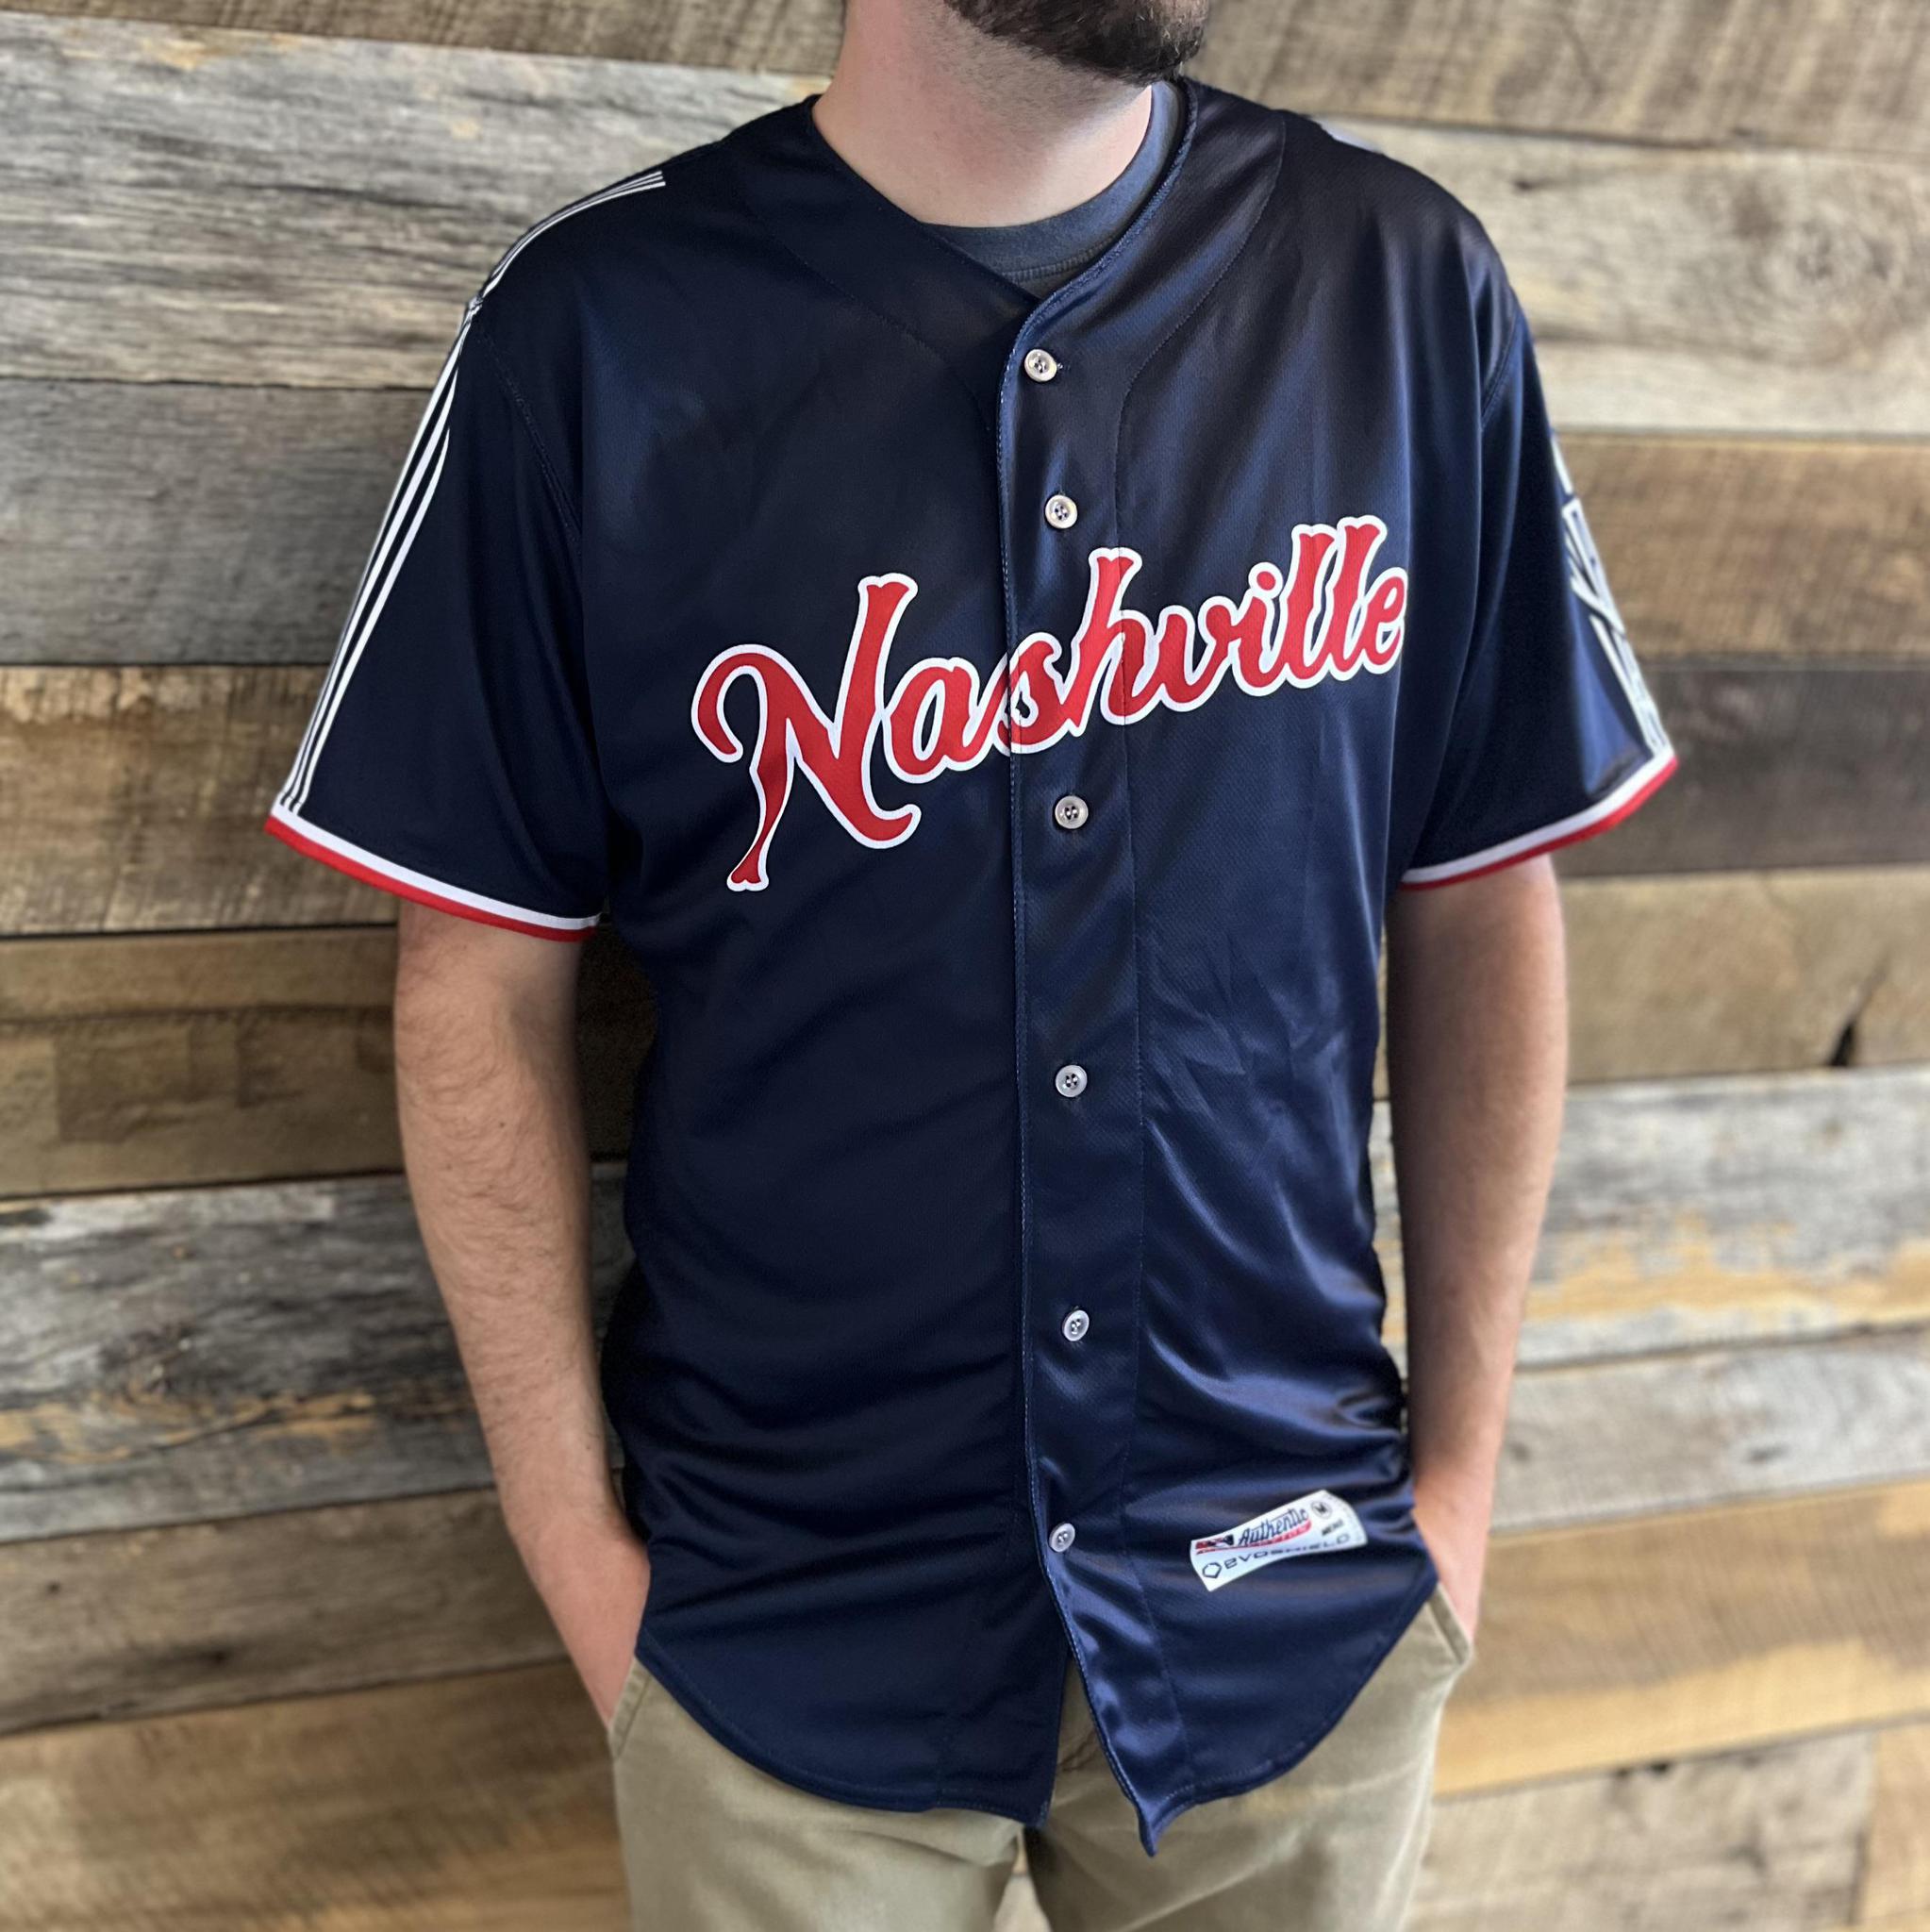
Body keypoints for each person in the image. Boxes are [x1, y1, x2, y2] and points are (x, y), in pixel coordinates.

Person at [264, 0, 1676, 1924]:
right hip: (780, 1627)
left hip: (1289, 1594)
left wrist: (1456, 1499)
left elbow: (1482, 890)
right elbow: (477, 980)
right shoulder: (596, 329)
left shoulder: (1396, 283)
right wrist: (576, 1551)